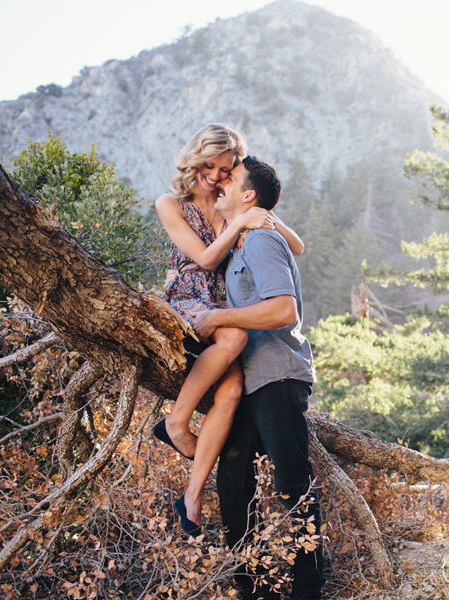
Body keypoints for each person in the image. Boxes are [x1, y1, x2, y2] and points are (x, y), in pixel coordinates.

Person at [154, 123, 305, 537]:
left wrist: (262, 216)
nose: (216, 176)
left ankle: (192, 497)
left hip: (222, 304)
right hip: (188, 297)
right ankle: (175, 422)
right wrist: (241, 223)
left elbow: (297, 247)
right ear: (195, 159)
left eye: (226, 169)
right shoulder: (171, 204)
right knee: (236, 337)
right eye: (210, 165)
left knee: (233, 390)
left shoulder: (228, 201)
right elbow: (203, 260)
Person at [191, 156, 325, 600]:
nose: (220, 184)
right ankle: (252, 589)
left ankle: (308, 590)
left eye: (230, 179)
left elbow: (284, 309)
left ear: (248, 196)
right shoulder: (238, 242)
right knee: (232, 478)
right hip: (248, 381)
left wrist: (219, 318)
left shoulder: (262, 241)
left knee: (291, 481)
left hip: (277, 375)